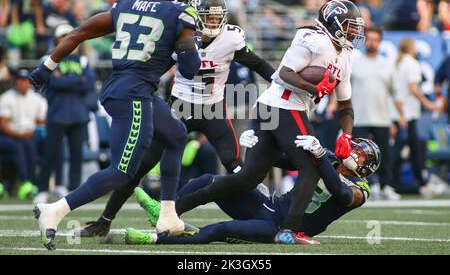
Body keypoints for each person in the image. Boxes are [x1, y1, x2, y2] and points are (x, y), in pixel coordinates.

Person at [73, 0, 275, 238]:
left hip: (213, 109)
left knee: (236, 167)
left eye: (216, 17)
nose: (213, 22)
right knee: (141, 165)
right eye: (208, 16)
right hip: (180, 106)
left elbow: (256, 62)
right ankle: (104, 220)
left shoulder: (232, 38)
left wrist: (278, 82)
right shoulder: (180, 31)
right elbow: (155, 68)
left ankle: (264, 213)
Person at [28, 0, 201, 250]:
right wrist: (191, 41)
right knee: (122, 170)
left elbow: (78, 33)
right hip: (133, 94)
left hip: (122, 86)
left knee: (176, 134)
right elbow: (191, 68)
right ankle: (55, 210)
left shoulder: (126, 5)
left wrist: (47, 66)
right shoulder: (178, 14)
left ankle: (169, 216)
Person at [164, 0, 365, 245]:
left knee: (247, 178)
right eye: (349, 26)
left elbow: (345, 104)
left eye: (355, 27)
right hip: (282, 105)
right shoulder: (314, 40)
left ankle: (173, 210)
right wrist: (313, 86)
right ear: (333, 24)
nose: (354, 32)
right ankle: (288, 230)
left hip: (281, 107)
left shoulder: (346, 56)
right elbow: (283, 73)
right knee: (311, 167)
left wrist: (346, 134)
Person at [124, 135, 380, 245]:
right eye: (355, 148)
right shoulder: (331, 159)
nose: (354, 154)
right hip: (267, 206)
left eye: (361, 155)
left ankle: (156, 238)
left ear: (368, 167)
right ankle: (166, 210)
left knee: (220, 230)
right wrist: (256, 146)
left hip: (280, 228)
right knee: (209, 181)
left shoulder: (360, 188)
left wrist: (322, 156)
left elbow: (342, 194)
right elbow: (278, 160)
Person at [34, 24, 96, 204]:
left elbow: (89, 84)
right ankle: (43, 189)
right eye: (63, 36)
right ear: (56, 39)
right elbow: (53, 82)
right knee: (50, 153)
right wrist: (77, 80)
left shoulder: (83, 61)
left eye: (69, 36)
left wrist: (65, 80)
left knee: (77, 155)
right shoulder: (49, 59)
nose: (67, 39)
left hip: (79, 114)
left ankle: (73, 189)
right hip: (57, 113)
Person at [351, 26, 405, 200]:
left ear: (380, 42)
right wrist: (332, 106)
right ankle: (366, 185)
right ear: (365, 41)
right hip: (359, 117)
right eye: (370, 39)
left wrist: (400, 116)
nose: (372, 43)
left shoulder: (387, 66)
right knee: (358, 156)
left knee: (384, 155)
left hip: (382, 118)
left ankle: (386, 186)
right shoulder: (355, 64)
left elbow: (396, 94)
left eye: (376, 39)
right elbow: (344, 90)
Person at [391, 38, 443, 198]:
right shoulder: (412, 63)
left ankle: (418, 182)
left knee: (410, 148)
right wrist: (428, 104)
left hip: (397, 112)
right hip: (406, 114)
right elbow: (414, 89)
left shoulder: (398, 62)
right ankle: (390, 183)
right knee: (402, 149)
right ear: (411, 48)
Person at [0, 69, 47, 199]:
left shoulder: (37, 99)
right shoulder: (6, 98)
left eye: (26, 81)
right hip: (8, 136)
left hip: (30, 135)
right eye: (20, 80)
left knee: (28, 144)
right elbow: (3, 125)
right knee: (19, 145)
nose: (23, 84)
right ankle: (26, 182)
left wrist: (33, 132)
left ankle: (32, 184)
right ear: (15, 82)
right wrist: (19, 135)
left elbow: (42, 121)